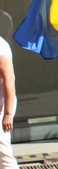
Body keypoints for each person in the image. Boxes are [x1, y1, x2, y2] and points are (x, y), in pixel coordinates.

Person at [0, 37, 17, 169]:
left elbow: (9, 79)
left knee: (4, 154)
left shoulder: (1, 47)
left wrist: (8, 114)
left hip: (2, 106)